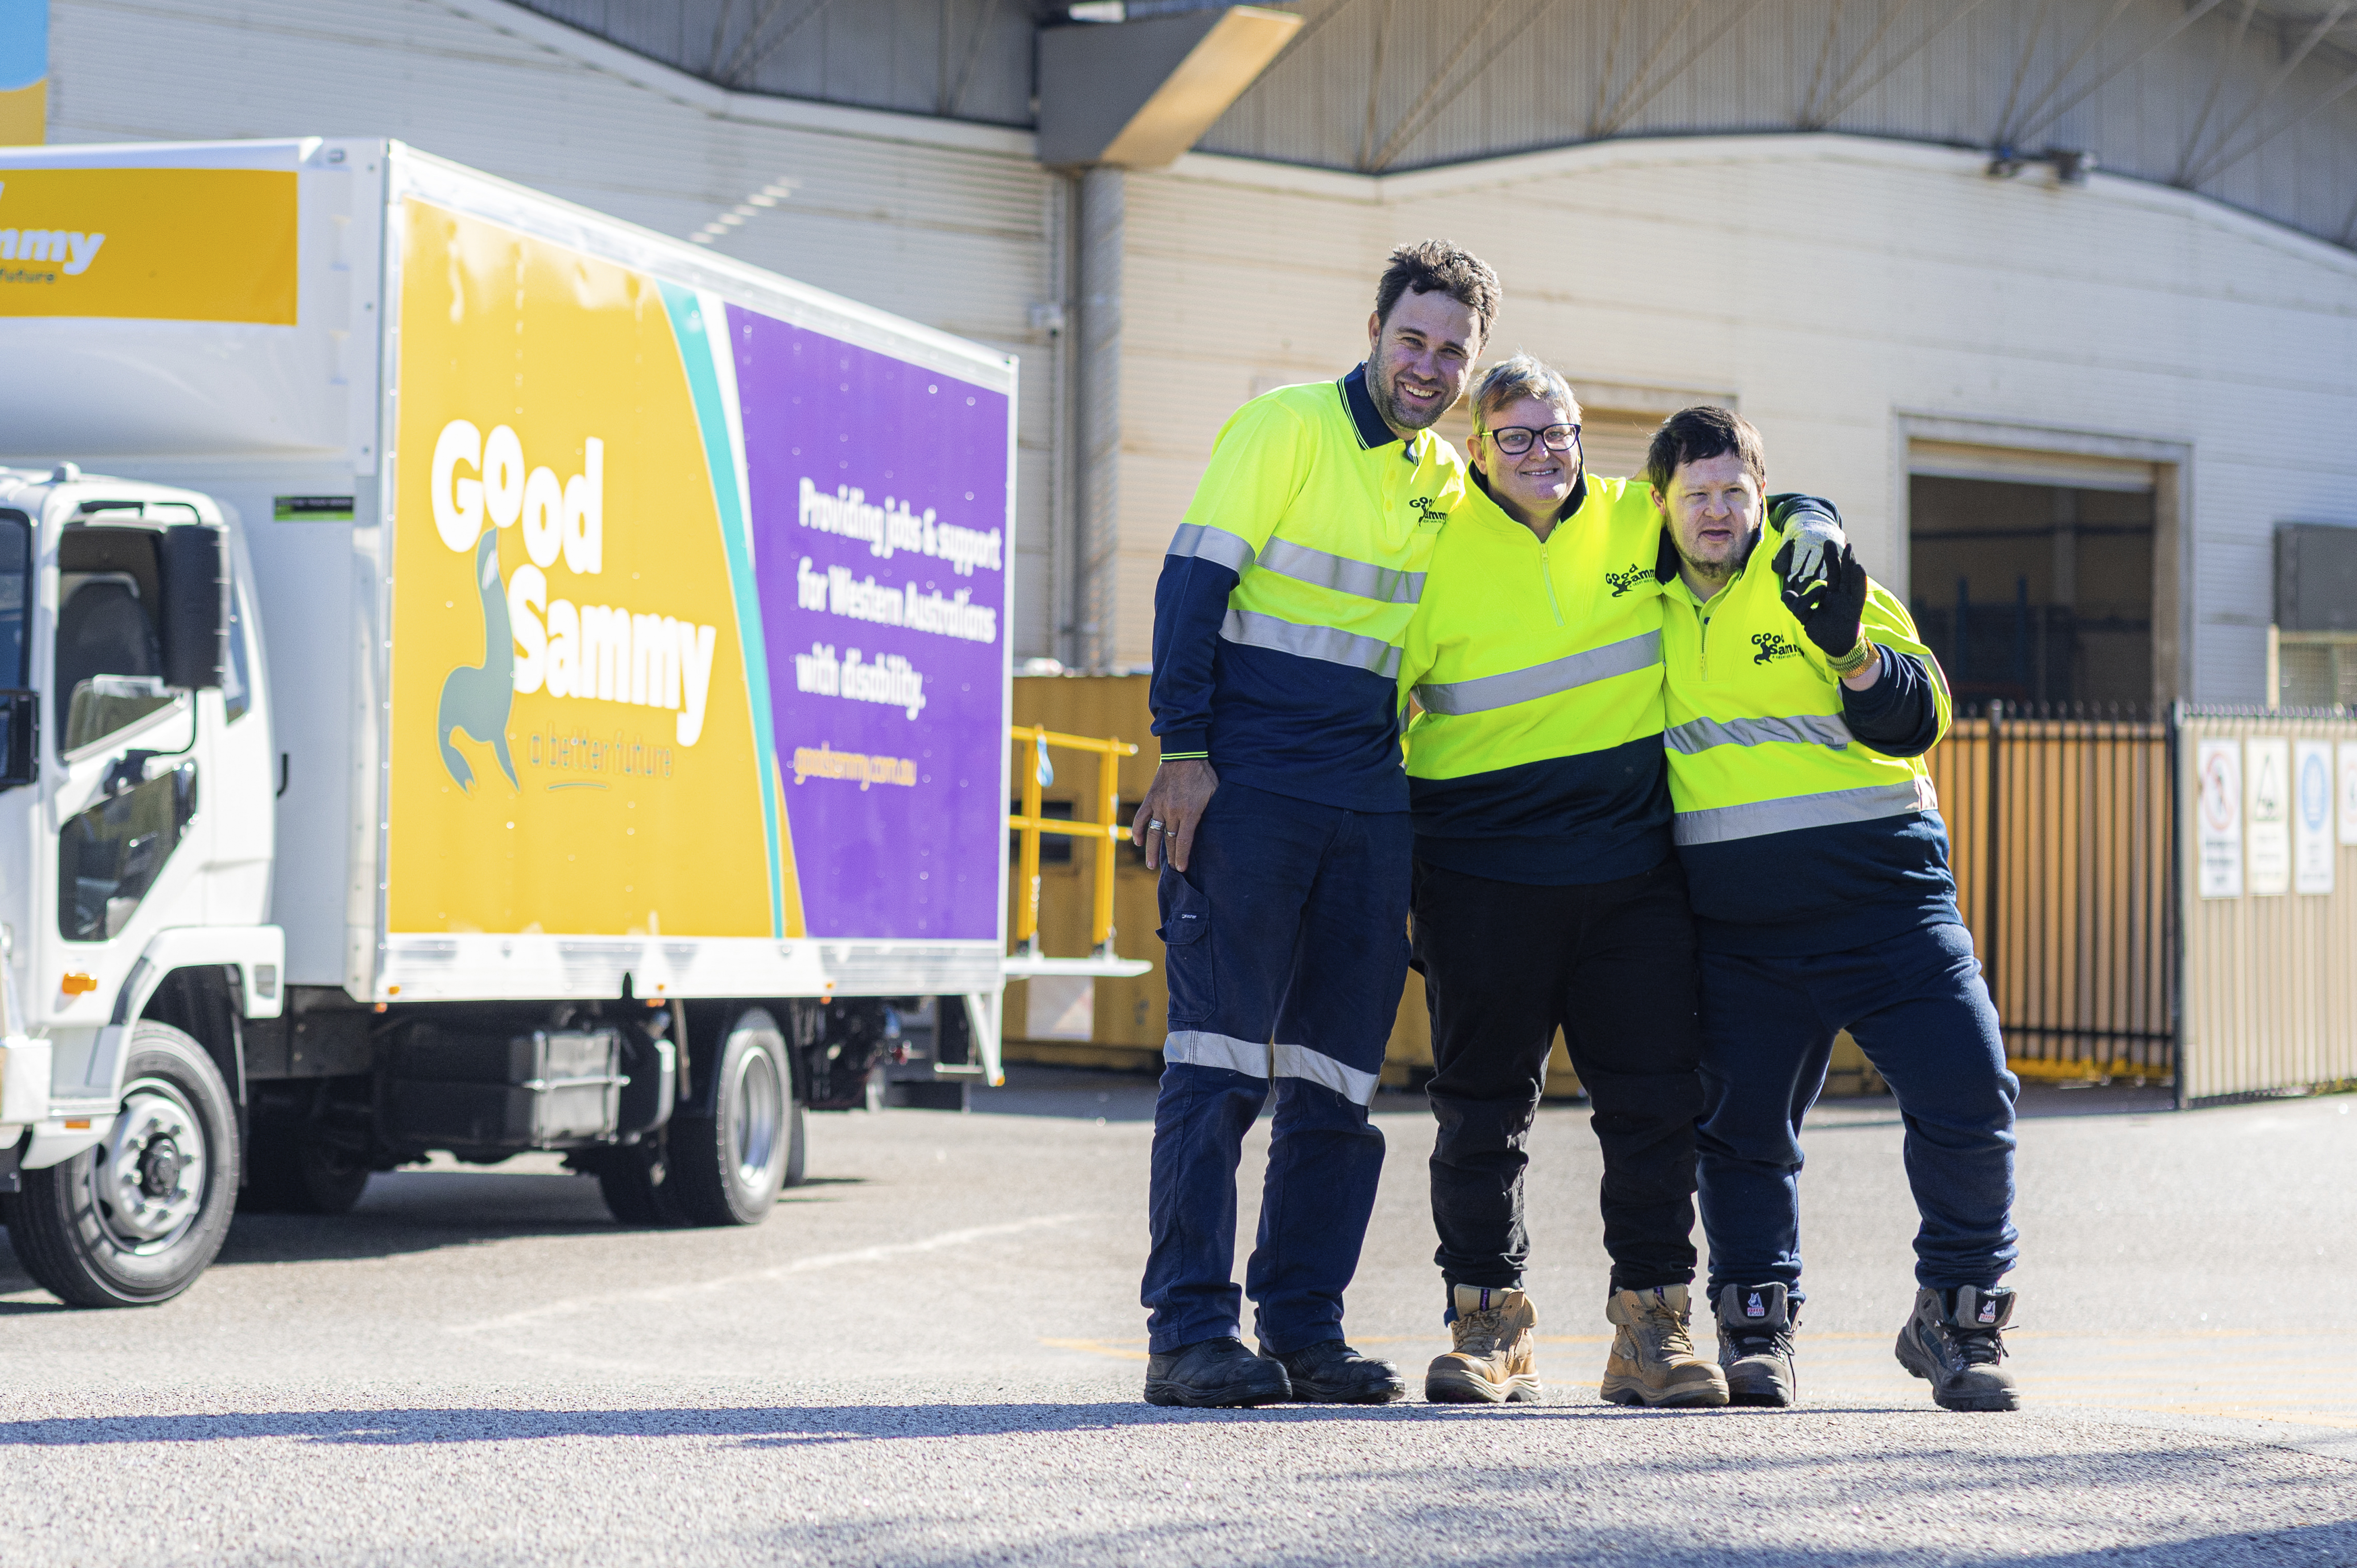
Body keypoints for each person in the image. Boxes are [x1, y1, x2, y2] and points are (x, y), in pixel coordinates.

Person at [1399, 357, 1840, 1410]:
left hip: (1627, 878)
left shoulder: (1633, 518)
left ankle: (1651, 1329)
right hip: (1478, 876)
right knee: (1479, 1113)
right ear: (1477, 448)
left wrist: (1813, 515)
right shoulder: (1428, 545)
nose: (1542, 453)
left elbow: (1746, 508)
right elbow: (1379, 703)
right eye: (1515, 436)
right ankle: (1486, 1324)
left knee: (1650, 1110)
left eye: (1558, 432)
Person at [1127, 240, 1498, 1409]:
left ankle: (1300, 1327)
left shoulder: (1445, 482)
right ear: (1374, 329)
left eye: (1450, 350)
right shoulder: (1283, 428)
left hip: (1367, 805)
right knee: (1219, 1062)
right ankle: (1188, 1330)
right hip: (1249, 789)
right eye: (1412, 339)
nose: (1427, 365)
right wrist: (1181, 753)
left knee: (1337, 1084)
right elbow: (1190, 587)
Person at [1646, 405, 2023, 1413]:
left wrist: (1849, 646)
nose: (1717, 510)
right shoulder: (1635, 598)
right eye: (1697, 495)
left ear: (1762, 494)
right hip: (1741, 934)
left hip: (1889, 910)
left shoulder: (1820, 572)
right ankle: (1756, 1324)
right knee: (1740, 1134)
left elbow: (1920, 716)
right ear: (1662, 504)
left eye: (1736, 490)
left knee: (1970, 1097)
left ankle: (1957, 1316)